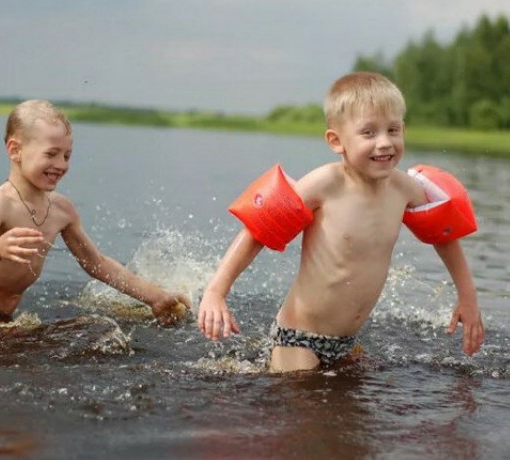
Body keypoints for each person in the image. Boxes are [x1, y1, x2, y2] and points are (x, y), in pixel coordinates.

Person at [198, 72, 484, 372]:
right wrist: (216, 292)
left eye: (393, 129)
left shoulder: (405, 189)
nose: (385, 142)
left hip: (347, 341)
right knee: (300, 397)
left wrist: (468, 296)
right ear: (337, 141)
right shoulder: (324, 185)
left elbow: (444, 234)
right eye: (369, 133)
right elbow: (258, 230)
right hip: (299, 338)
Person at [0, 99, 190, 325]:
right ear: (15, 150)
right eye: (51, 154)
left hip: (2, 318)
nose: (60, 165)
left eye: (67, 156)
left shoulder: (61, 209)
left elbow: (97, 263)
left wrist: (155, 297)